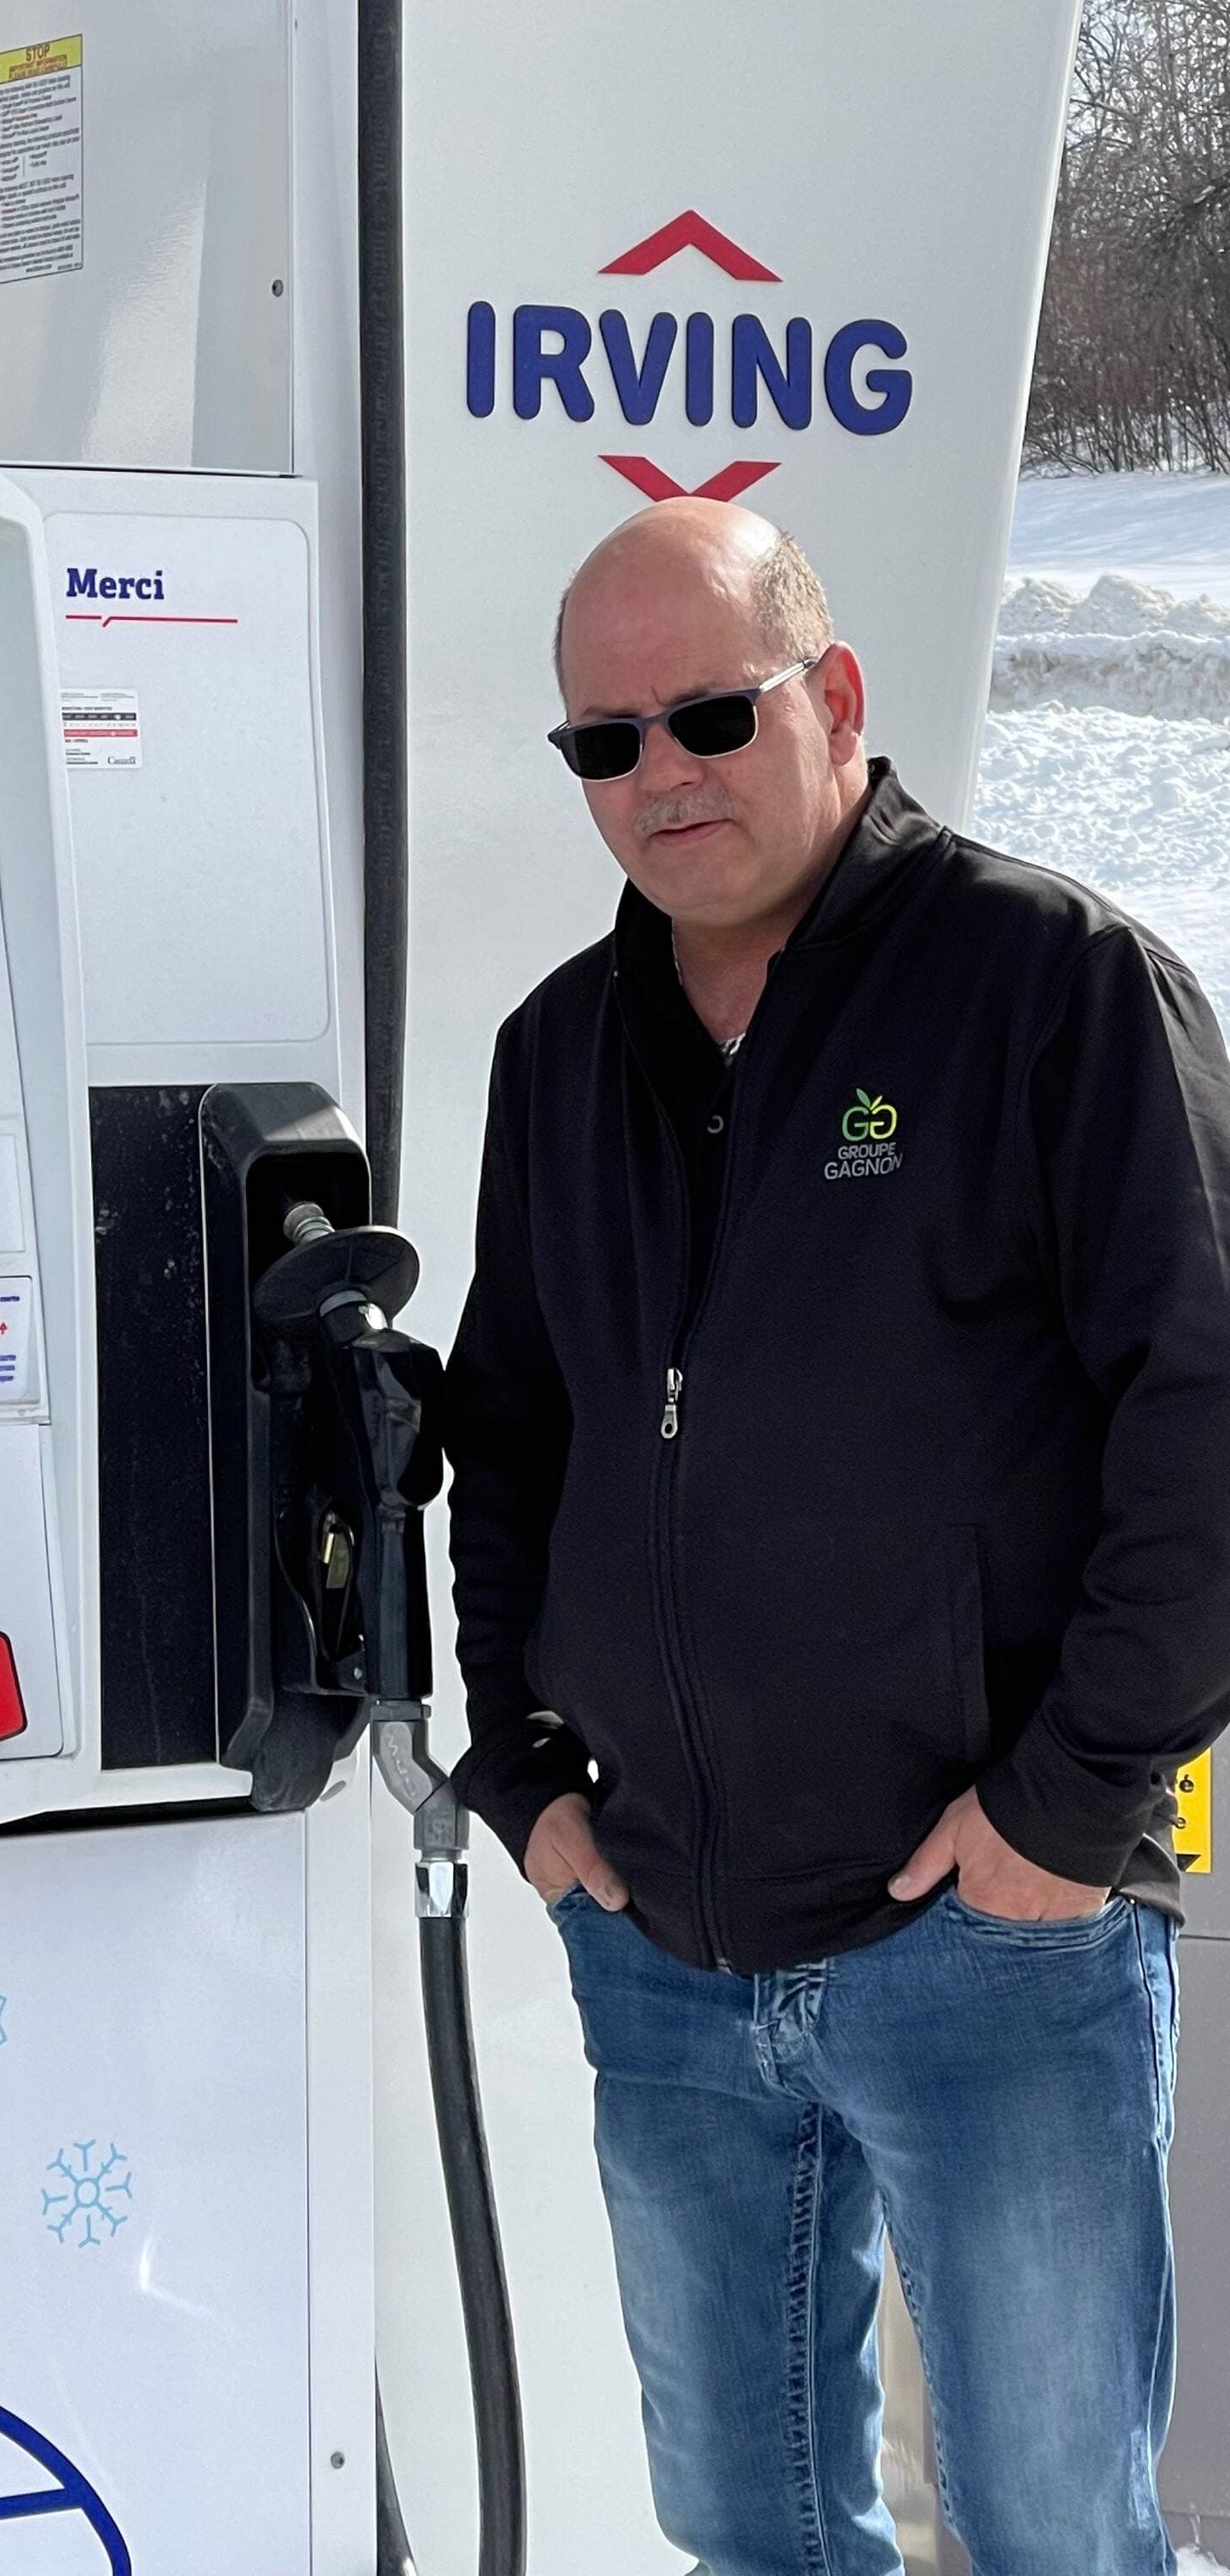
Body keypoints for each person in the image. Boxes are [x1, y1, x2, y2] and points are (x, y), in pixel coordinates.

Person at [444, 498, 1230, 2576]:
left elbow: (1210, 1416)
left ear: (839, 698)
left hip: (990, 1943)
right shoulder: (559, 1057)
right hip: (671, 1951)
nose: (660, 772)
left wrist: (1069, 1811)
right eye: (604, 742)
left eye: (709, 710)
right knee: (750, 2527)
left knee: (1055, 2536)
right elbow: (514, 1430)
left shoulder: (1052, 990)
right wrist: (521, 1776)